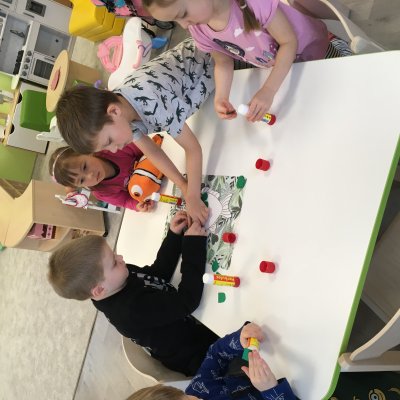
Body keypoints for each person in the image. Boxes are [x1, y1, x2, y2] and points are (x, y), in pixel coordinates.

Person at [56, 37, 214, 224]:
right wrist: (183, 185)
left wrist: (193, 196)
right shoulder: (122, 113)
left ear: (114, 112)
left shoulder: (151, 101)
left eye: (109, 142)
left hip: (216, 53)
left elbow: (193, 148)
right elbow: (152, 152)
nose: (114, 150)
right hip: (202, 88)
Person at [47, 211, 219, 376]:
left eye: (114, 254)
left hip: (190, 320)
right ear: (99, 290)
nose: (121, 258)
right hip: (198, 351)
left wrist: (173, 236)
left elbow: (157, 274)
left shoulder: (116, 279)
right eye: (114, 262)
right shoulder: (131, 310)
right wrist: (193, 245)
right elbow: (188, 301)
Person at [143, 0, 351, 123]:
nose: (183, 25)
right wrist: (221, 97)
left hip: (314, 51)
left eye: (182, 14)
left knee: (344, 92)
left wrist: (268, 90)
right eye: (176, 20)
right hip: (283, 71)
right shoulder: (198, 28)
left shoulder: (253, 4)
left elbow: (289, 42)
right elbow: (223, 62)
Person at [127, 322, 297, 400]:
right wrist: (271, 390)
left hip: (277, 375)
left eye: (185, 396)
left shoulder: (198, 389)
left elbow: (216, 355)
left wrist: (239, 339)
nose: (198, 399)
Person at [48, 144, 154, 211]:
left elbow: (144, 147)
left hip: (157, 162)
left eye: (84, 167)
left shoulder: (113, 148)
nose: (90, 175)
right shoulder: (102, 192)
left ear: (87, 152)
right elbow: (125, 201)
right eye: (82, 180)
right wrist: (138, 205)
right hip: (153, 191)